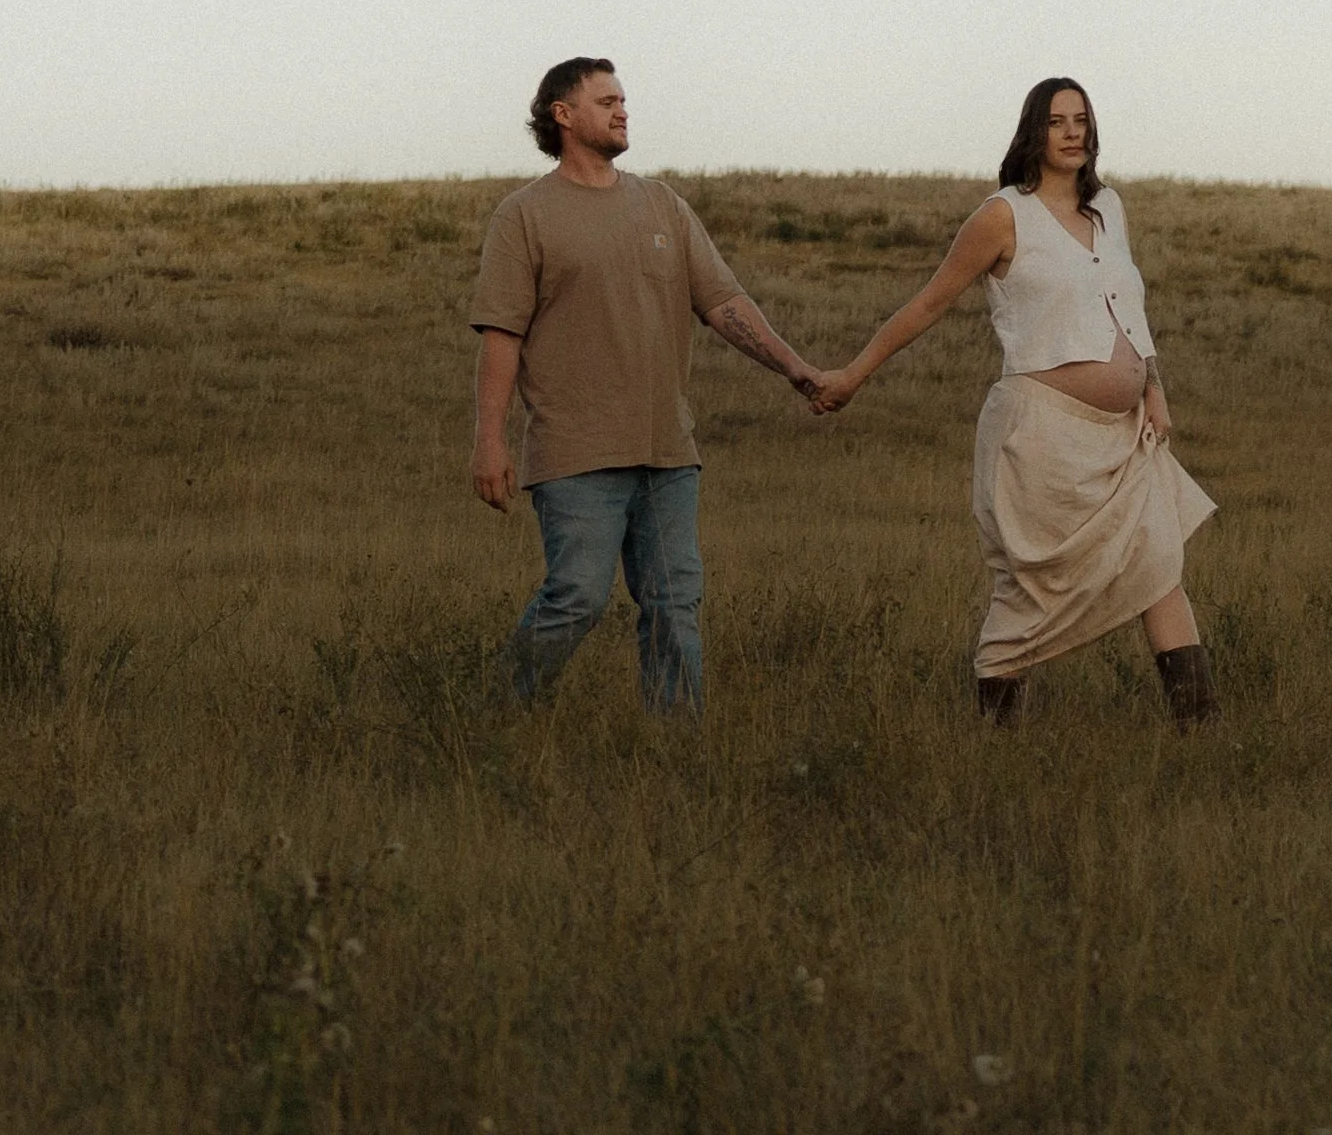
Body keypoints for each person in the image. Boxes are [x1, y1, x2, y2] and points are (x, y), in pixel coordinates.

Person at [810, 76, 1218, 727]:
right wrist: (854, 374)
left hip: (1123, 435)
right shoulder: (1001, 216)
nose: (1072, 132)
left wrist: (1153, 392)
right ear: (1033, 132)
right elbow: (927, 304)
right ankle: (1000, 749)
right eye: (1057, 121)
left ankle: (1202, 731)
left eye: (1081, 119)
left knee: (1158, 565)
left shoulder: (1108, 208)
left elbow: (1128, 312)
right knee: (1028, 588)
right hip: (1040, 434)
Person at [470, 56, 816, 712]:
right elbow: (501, 336)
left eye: (623, 99)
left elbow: (723, 305)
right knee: (575, 597)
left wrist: (796, 370)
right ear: (562, 115)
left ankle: (674, 747)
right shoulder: (524, 216)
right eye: (605, 101)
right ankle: (494, 711)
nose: (622, 110)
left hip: (666, 452)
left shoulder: (661, 204)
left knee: (674, 603)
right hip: (576, 454)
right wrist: (488, 441)